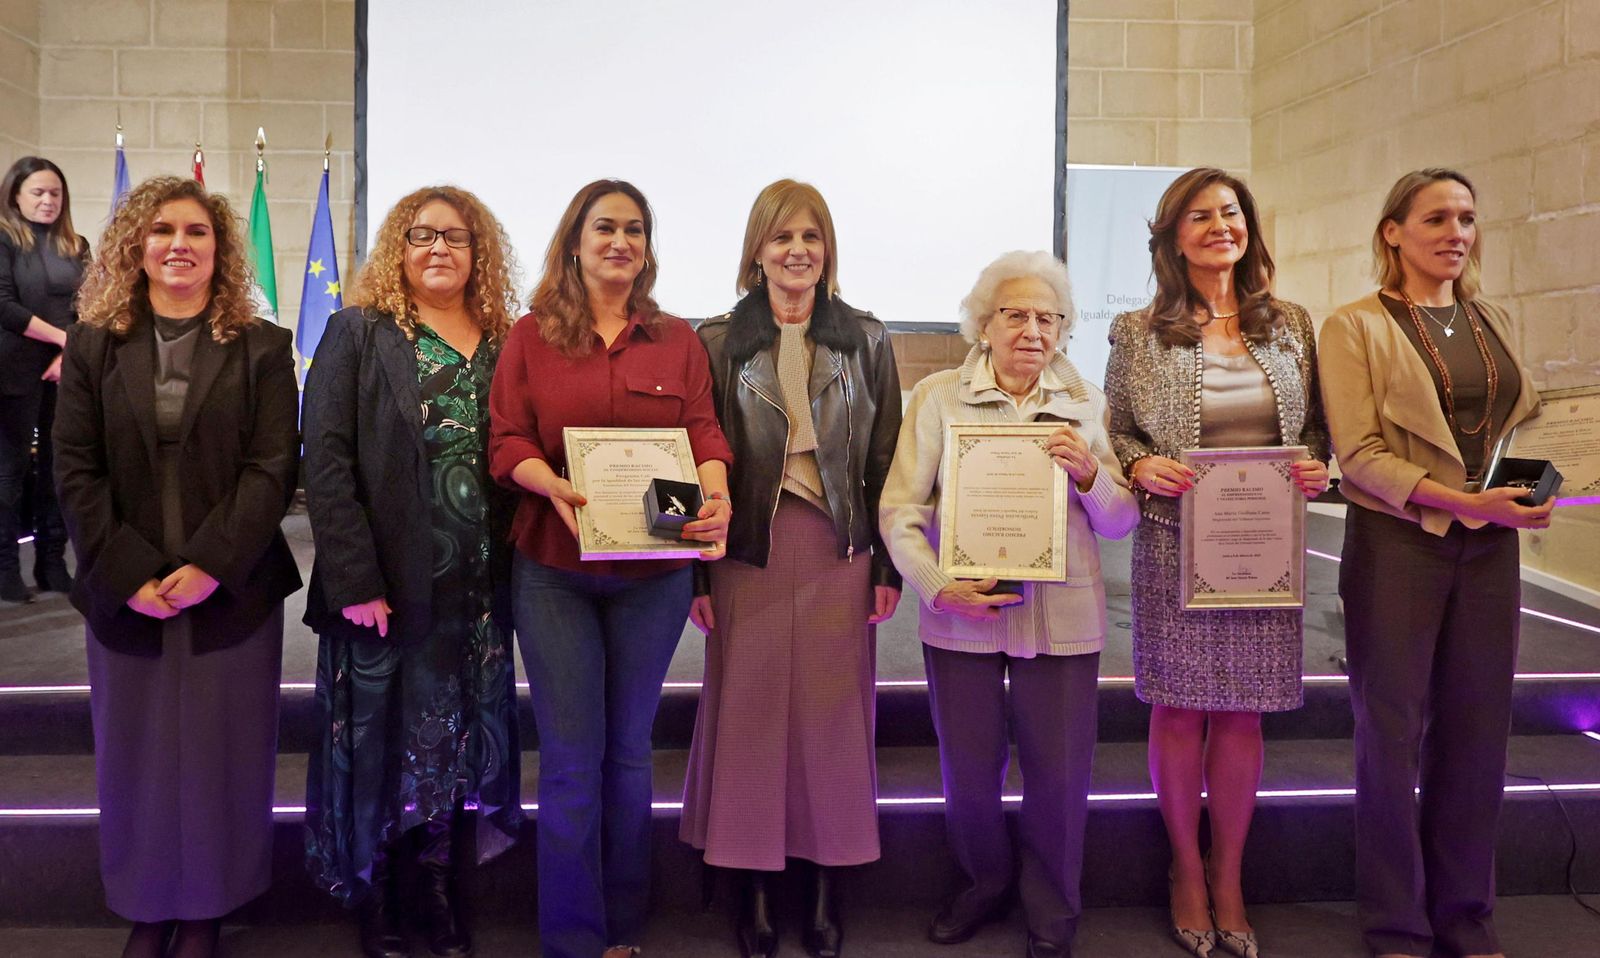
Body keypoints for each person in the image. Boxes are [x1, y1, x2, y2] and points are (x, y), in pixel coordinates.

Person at [53, 176, 300, 958]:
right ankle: (146, 906)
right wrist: (127, 571)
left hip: (232, 583)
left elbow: (271, 469)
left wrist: (210, 566)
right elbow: (73, 467)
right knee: (137, 755)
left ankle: (206, 912)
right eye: (163, 230)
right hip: (121, 580)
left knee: (224, 755)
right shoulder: (92, 342)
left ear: (220, 250)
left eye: (197, 232)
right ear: (137, 245)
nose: (179, 245)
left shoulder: (263, 346)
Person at [489, 179, 733, 958]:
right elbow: (505, 441)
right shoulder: (530, 337)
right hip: (553, 568)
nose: (620, 241)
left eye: (634, 229)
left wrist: (718, 495)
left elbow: (704, 433)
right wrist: (546, 480)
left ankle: (624, 926)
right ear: (574, 242)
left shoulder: (677, 339)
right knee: (569, 756)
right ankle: (572, 937)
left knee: (628, 751)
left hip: (652, 577)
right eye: (604, 228)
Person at [880, 251, 1139, 958]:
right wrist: (937, 585)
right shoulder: (936, 398)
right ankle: (981, 885)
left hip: (1064, 621)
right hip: (959, 615)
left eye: (1048, 317)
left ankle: (1053, 910)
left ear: (1063, 329)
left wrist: (1092, 477)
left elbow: (1119, 520)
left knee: (1060, 777)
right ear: (983, 323)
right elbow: (900, 510)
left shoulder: (1088, 404)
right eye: (1015, 314)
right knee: (968, 771)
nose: (1033, 329)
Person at [1319, 169, 1547, 958]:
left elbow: (1518, 426)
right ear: (1393, 232)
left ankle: (1465, 913)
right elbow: (1358, 457)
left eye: (1468, 219)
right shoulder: (1355, 326)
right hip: (1399, 544)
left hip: (1491, 549)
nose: (1457, 232)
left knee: (1479, 732)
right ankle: (1395, 921)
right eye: (1437, 218)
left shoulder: (1494, 319)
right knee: (1390, 736)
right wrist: (1461, 503)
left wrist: (1538, 488)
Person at [1103, 167, 1329, 958]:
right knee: (1179, 707)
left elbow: (1321, 435)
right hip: (1175, 539)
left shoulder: (1293, 324)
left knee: (1242, 711)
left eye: (1230, 213)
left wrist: (1316, 468)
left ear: (1249, 227)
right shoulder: (1137, 331)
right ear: (1171, 237)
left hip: (1265, 550)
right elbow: (1120, 431)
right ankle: (1185, 871)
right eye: (1198, 216)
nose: (1218, 226)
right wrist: (1136, 466)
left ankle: (1228, 874)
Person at [681, 180, 902, 958]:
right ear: (757, 252)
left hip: (840, 551)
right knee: (749, 721)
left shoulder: (867, 340)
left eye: (811, 237)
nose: (797, 251)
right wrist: (699, 576)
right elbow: (694, 454)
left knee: (832, 723)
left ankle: (822, 889)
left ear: (827, 249)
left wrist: (888, 566)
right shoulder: (713, 341)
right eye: (782, 239)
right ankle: (756, 893)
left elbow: (885, 460)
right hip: (747, 553)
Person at [302, 186, 525, 958]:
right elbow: (325, 462)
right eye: (422, 235)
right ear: (398, 248)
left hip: (479, 594)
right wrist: (356, 579)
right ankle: (379, 892)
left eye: (457, 238)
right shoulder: (359, 333)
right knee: (381, 744)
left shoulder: (505, 339)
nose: (439, 249)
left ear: (479, 253)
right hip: (386, 591)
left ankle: (432, 885)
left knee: (451, 742)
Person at [0, 156, 87, 602]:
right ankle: (6, 569)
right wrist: (65, 341)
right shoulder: (3, 239)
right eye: (38, 192)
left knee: (60, 469)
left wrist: (66, 352)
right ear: (15, 194)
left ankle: (53, 564)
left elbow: (91, 305)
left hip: (63, 371)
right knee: (10, 472)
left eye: (55, 193)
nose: (48, 200)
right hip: (12, 368)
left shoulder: (76, 244)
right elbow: (5, 306)